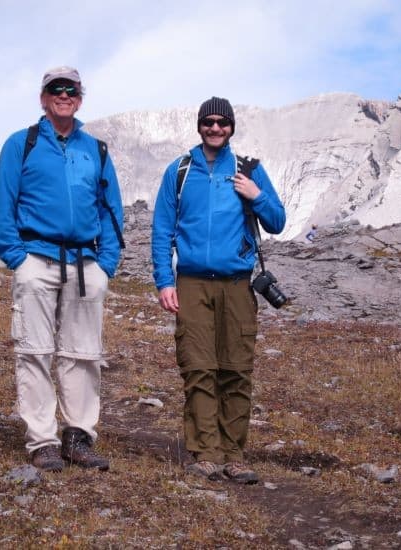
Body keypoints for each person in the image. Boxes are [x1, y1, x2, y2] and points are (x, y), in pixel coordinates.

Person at [0, 66, 124, 472]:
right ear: (43, 97)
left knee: (83, 353)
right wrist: (17, 259)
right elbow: (4, 204)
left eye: (71, 90)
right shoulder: (21, 145)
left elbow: (111, 212)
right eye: (55, 89)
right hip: (36, 259)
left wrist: (106, 264)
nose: (63, 95)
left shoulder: (96, 150)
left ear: (80, 98)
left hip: (86, 264)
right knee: (34, 350)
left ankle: (78, 437)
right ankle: (43, 441)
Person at [151, 97, 286, 483]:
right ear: (199, 126)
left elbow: (277, 221)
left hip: (237, 285)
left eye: (222, 123)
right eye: (208, 122)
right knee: (198, 368)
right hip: (191, 284)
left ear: (231, 127)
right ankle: (206, 452)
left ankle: (234, 454)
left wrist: (255, 195)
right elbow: (162, 230)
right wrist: (164, 280)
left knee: (236, 371)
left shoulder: (250, 171)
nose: (215, 128)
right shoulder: (179, 170)